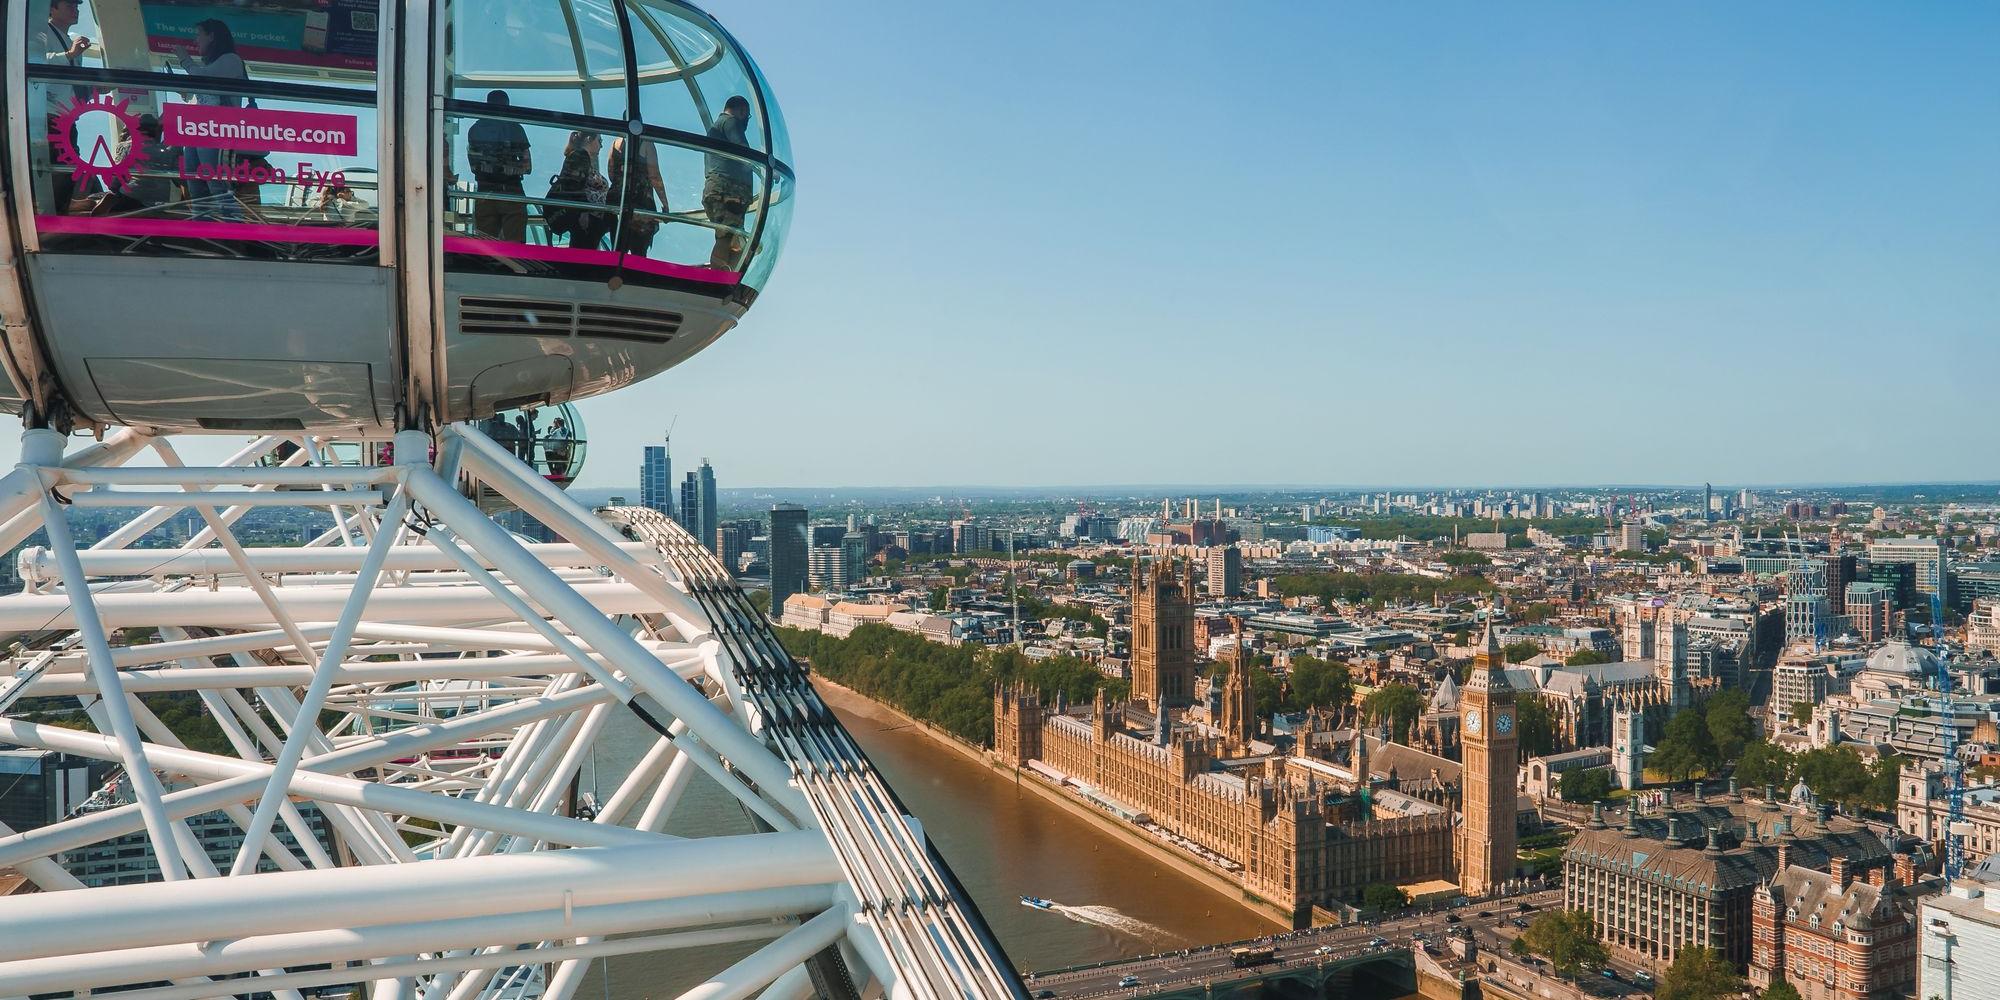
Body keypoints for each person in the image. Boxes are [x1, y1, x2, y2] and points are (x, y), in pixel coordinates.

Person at [177, 19, 248, 221]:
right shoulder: (214, 63)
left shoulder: (231, 59)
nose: (195, 40)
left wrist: (185, 61)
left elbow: (204, 77)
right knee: (196, 184)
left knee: (217, 184)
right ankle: (204, 230)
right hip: (198, 130)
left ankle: (234, 229)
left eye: (199, 34)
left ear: (212, 36)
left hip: (218, 132)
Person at [31, 0, 91, 214]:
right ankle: (45, 215)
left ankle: (57, 214)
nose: (76, 10)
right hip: (47, 116)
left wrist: (91, 89)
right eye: (70, 6)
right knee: (53, 169)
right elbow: (33, 62)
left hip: (66, 118)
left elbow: (69, 82)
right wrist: (69, 55)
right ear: (51, 8)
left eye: (77, 6)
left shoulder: (71, 42)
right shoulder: (40, 32)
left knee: (65, 172)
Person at [467, 91, 532, 242]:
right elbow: (527, 165)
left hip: (484, 193)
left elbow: (473, 165)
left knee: (486, 247)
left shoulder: (475, 129)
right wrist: (511, 168)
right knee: (515, 248)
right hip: (511, 191)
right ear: (507, 105)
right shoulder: (515, 128)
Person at [702, 96, 756, 270]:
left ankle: (726, 276)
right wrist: (766, 170)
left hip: (718, 190)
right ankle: (716, 278)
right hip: (728, 192)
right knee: (726, 237)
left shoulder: (716, 126)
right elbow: (743, 150)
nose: (746, 122)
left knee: (735, 242)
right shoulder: (730, 122)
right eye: (746, 116)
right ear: (741, 110)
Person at [546, 131, 611, 250]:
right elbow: (573, 186)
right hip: (585, 218)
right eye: (599, 141)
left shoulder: (581, 157)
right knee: (584, 250)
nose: (601, 146)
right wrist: (584, 212)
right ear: (588, 139)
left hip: (586, 216)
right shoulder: (580, 155)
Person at [608, 135, 665, 256]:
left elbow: (611, 171)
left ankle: (616, 272)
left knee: (618, 249)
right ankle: (635, 273)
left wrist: (622, 186)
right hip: (640, 202)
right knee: (639, 252)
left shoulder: (615, 143)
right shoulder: (646, 143)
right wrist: (665, 203)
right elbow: (654, 176)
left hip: (618, 202)